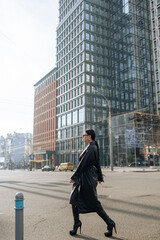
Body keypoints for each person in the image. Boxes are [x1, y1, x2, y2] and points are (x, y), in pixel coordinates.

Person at [69, 129, 117, 237]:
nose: (83, 137)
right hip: (85, 178)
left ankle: (110, 223)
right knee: (74, 200)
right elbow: (97, 163)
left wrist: (74, 176)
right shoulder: (92, 146)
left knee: (95, 205)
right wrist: (99, 176)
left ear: (89, 136)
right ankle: (77, 223)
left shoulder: (91, 148)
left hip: (87, 180)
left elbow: (83, 164)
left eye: (84, 135)